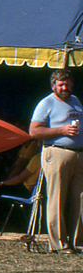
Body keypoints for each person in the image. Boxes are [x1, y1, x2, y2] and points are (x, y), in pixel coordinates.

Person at [29, 69, 83, 253]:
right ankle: (59, 244)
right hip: (56, 153)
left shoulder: (75, 100)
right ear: (53, 86)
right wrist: (62, 131)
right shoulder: (46, 103)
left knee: (80, 198)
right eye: (60, 85)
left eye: (67, 84)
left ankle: (78, 241)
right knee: (57, 198)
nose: (64, 87)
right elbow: (34, 131)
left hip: (78, 154)